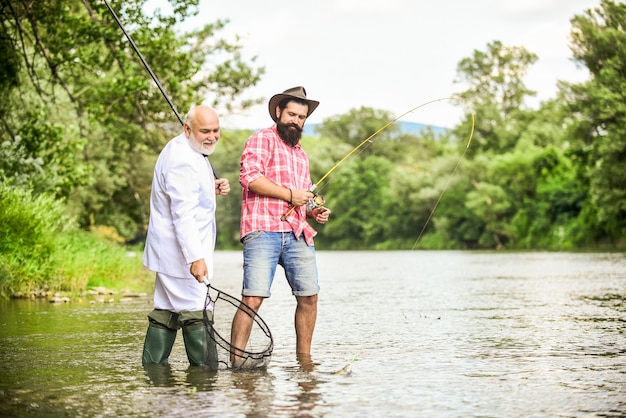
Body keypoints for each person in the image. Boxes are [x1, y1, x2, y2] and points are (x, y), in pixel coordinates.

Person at [230, 86, 331, 367]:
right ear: (278, 112)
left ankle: (305, 363)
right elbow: (249, 178)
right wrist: (289, 194)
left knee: (309, 297)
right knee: (253, 298)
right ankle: (235, 363)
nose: (295, 121)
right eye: (291, 114)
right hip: (262, 229)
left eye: (301, 117)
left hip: (297, 233)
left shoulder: (301, 154)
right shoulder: (261, 139)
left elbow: (304, 197)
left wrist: (315, 211)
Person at [141, 105, 230, 368]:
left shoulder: (188, 149)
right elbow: (183, 214)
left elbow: (186, 190)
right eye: (205, 131)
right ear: (187, 128)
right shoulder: (181, 159)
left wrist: (209, 186)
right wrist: (195, 258)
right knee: (197, 309)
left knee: (167, 308)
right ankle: (205, 380)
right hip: (181, 254)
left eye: (216, 130)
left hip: (173, 253)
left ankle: (155, 379)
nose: (212, 136)